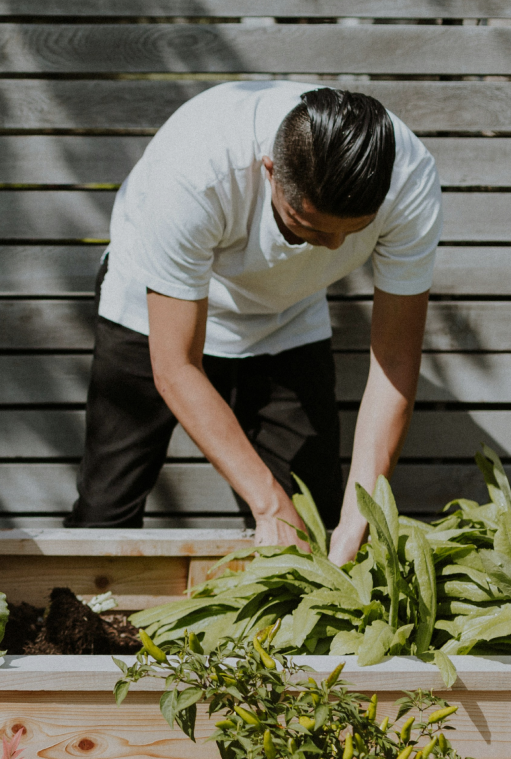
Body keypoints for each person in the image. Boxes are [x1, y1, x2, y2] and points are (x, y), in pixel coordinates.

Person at [65, 82, 441, 565]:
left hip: (286, 316)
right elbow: (176, 366)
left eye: (353, 232)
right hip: (151, 311)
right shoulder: (195, 169)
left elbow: (393, 360)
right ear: (270, 172)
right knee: (105, 513)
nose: (331, 248)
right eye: (306, 227)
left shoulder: (409, 180)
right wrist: (267, 503)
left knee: (313, 519)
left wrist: (358, 517)